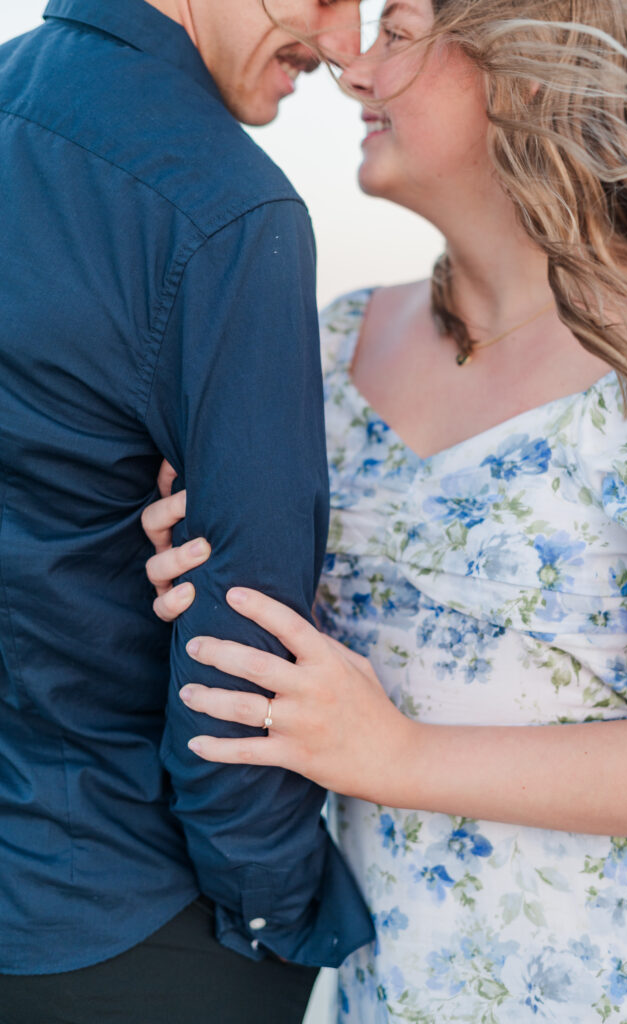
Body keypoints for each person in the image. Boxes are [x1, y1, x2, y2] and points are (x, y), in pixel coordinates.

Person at [142, 0, 627, 1019]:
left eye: (397, 34)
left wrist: (399, 758)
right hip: (385, 991)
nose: (351, 67)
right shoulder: (334, 344)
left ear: (522, 75)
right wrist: (198, 571)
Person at [0, 1, 375, 1022]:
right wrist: (278, 910)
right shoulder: (225, 208)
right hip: (134, 914)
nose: (344, 46)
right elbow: (244, 648)